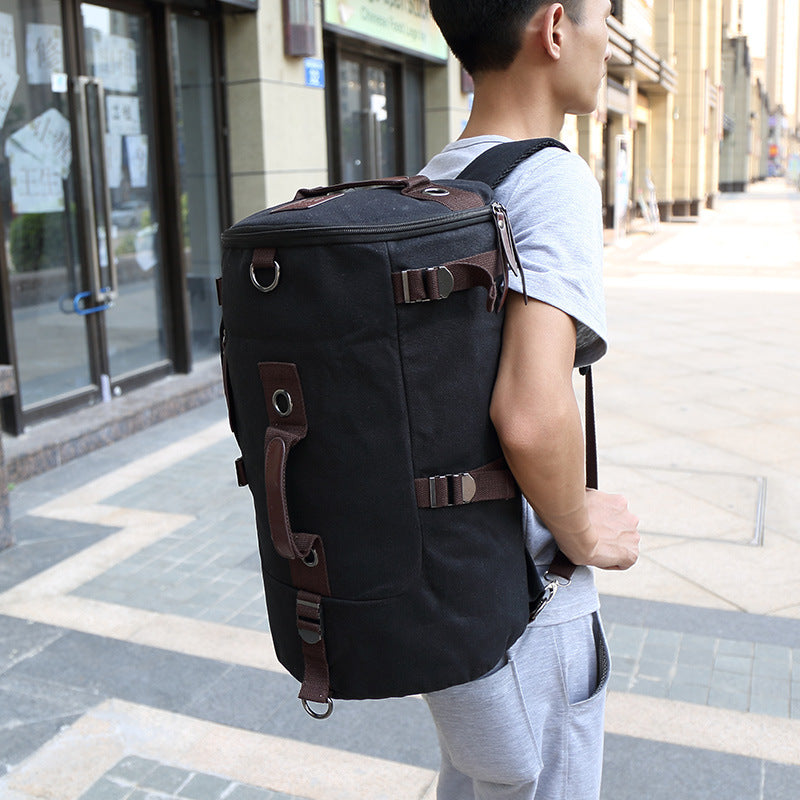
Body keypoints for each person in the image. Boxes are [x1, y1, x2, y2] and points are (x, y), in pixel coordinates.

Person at [422, 2, 641, 798]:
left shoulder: (438, 176)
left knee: (477, 783)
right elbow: (529, 409)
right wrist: (583, 528)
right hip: (527, 602)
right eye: (598, 23)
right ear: (554, 28)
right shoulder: (550, 178)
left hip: (445, 589)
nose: (606, 46)